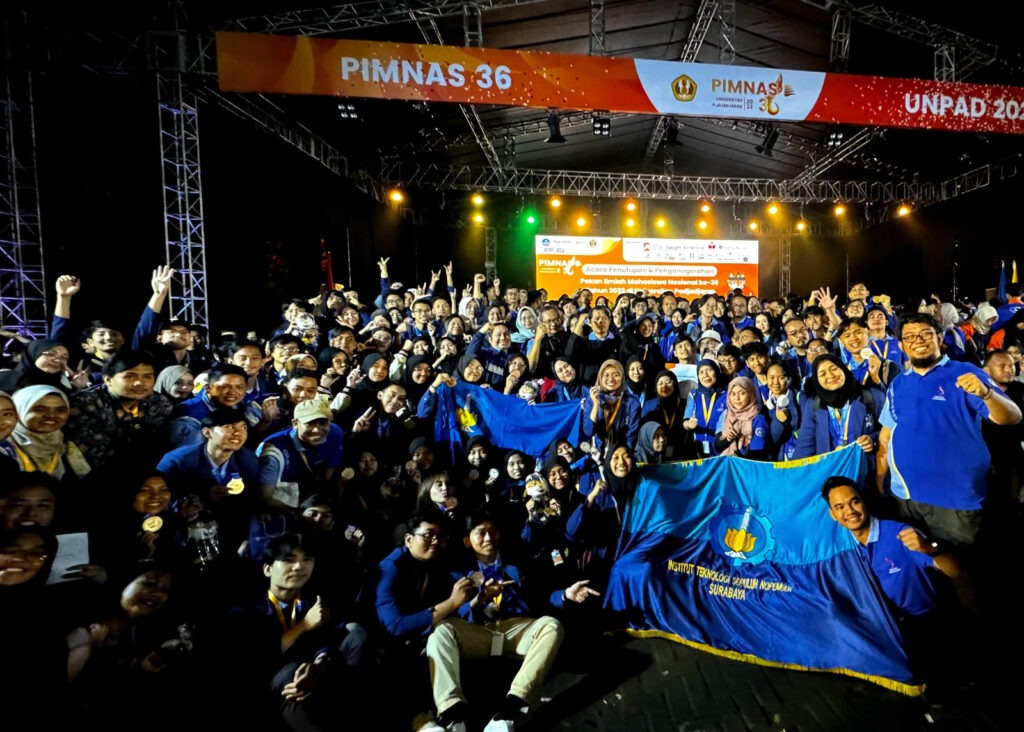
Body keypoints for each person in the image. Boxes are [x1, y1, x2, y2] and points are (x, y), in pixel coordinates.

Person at [425, 507, 598, 732]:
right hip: (479, 632)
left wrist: (565, 594)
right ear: (467, 541)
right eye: (481, 533)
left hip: (517, 629)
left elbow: (542, 595)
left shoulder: (519, 562)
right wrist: (479, 600)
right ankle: (452, 714)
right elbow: (454, 613)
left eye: (493, 531)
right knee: (441, 630)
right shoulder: (457, 572)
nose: (489, 538)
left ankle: (511, 710)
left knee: (552, 626)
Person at [876, 313, 1022, 548]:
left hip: (956, 501)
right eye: (910, 337)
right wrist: (881, 480)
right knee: (921, 562)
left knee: (960, 565)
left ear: (940, 338)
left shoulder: (964, 372)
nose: (918, 340)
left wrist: (986, 394)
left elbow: (1012, 417)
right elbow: (886, 437)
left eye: (925, 334)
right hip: (906, 497)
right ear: (901, 345)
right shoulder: (898, 383)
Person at [820, 477, 973, 697]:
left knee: (941, 689)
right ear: (833, 515)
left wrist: (931, 548)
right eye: (840, 507)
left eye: (854, 502)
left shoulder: (900, 534)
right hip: (885, 627)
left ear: (864, 502)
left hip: (926, 625)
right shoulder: (842, 546)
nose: (850, 511)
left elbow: (955, 570)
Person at [215, 533, 371, 732]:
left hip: (313, 675)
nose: (299, 567)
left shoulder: (310, 602)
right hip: (272, 686)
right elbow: (257, 660)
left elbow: (324, 640)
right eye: (289, 560)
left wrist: (321, 663)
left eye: (307, 560)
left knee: (357, 635)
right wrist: (304, 625)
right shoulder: (246, 610)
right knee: (291, 672)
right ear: (267, 569)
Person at [65, 349, 174, 476]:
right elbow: (92, 456)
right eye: (129, 376)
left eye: (147, 376)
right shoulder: (85, 404)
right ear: (108, 380)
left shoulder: (159, 403)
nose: (139, 382)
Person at [794, 353, 881, 461]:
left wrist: (872, 440)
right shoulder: (814, 404)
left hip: (864, 467)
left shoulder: (869, 396)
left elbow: (889, 431)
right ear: (817, 380)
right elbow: (805, 446)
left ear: (843, 369)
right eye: (822, 374)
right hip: (831, 468)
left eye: (834, 369)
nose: (830, 376)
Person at [714, 376, 769, 460]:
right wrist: (728, 439)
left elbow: (757, 454)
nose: (737, 398)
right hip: (728, 463)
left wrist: (738, 458)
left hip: (747, 466)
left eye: (742, 393)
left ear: (750, 394)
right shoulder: (725, 415)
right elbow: (717, 446)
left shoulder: (758, 419)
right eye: (733, 394)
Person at [682, 359, 727, 457]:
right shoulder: (694, 394)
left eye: (709, 370)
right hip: (698, 449)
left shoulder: (726, 395)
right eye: (701, 372)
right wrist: (689, 424)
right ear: (698, 376)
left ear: (716, 372)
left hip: (720, 450)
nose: (705, 375)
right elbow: (685, 421)